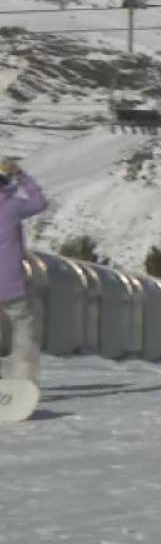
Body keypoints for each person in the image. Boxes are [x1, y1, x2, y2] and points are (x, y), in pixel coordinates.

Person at [0, 159, 45, 384]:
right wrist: (21, 175)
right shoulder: (13, 206)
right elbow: (39, 203)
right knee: (23, 328)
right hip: (11, 284)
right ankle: (23, 379)